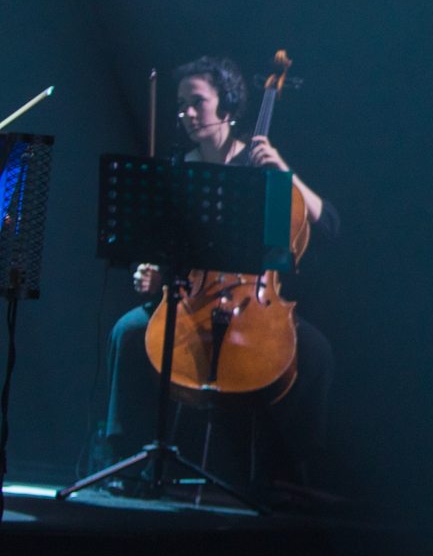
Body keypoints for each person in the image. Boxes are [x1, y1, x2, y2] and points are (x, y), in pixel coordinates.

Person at [103, 55, 338, 489]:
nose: (186, 113)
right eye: (181, 104)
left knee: (316, 351)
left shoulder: (264, 166)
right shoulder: (180, 169)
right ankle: (126, 459)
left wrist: (284, 173)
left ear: (227, 109)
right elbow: (160, 250)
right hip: (192, 299)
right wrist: (153, 274)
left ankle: (287, 476)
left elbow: (328, 226)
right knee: (128, 331)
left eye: (197, 102)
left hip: (256, 301)